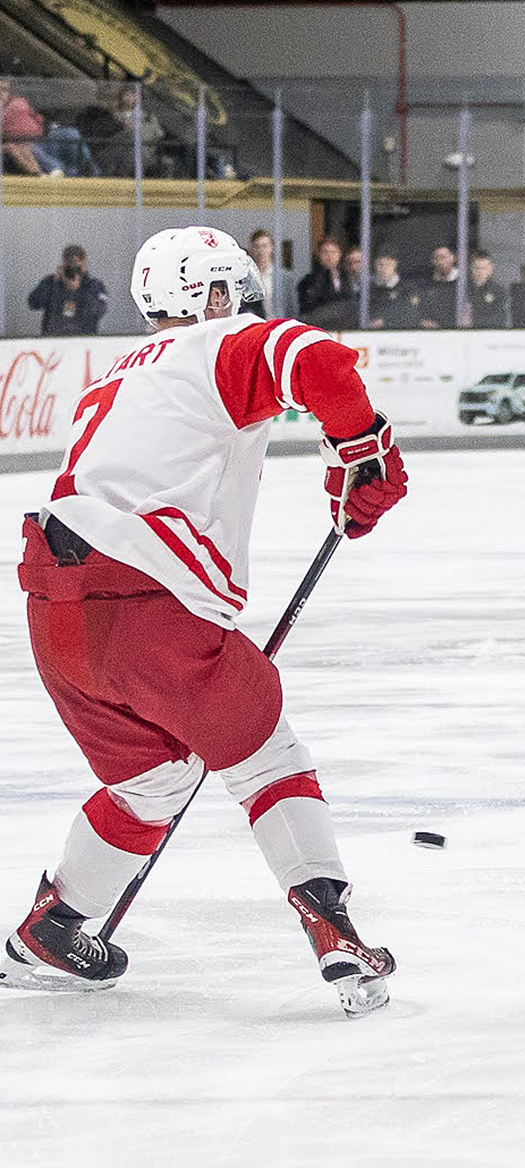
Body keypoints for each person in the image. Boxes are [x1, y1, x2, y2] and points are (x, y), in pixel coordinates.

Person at [0, 226, 407, 1010]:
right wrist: (361, 445)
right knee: (266, 759)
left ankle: (49, 929)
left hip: (55, 612)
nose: (248, 310)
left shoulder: (121, 372)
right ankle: (335, 933)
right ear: (211, 295)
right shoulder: (215, 349)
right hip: (146, 602)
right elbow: (318, 362)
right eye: (238, 295)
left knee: (151, 784)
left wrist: (343, 463)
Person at [27, 246, 108, 336]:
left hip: (84, 339)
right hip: (54, 339)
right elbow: (33, 303)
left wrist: (80, 291)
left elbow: (98, 311)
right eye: (69, 265)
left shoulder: (94, 285)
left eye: (77, 266)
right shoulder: (51, 282)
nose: (73, 270)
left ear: (84, 264)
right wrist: (54, 283)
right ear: (63, 263)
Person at [2, 85, 65, 176]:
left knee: (69, 133)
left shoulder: (20, 101)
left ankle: (46, 172)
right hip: (10, 142)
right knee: (15, 147)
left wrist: (41, 127)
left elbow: (36, 116)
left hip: (35, 138)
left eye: (4, 90)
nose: (2, 93)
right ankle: (41, 173)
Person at [294, 238, 351, 328]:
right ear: (319, 255)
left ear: (340, 255)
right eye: (325, 252)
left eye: (333, 252)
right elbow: (307, 307)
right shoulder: (309, 281)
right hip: (319, 327)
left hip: (347, 329)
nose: (329, 256)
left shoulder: (347, 278)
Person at [362, 252, 421, 331]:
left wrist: (386, 321)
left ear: (395, 265)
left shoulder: (408, 288)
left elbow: (411, 313)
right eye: (380, 265)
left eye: (388, 264)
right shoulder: (369, 290)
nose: (384, 268)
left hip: (402, 333)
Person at [461, 251, 510, 329]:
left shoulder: (498, 291)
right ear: (471, 268)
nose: (479, 272)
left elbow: (500, 318)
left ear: (490, 268)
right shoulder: (463, 288)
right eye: (476, 268)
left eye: (483, 268)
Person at [245, 231, 278, 317]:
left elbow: (292, 307)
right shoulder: (246, 277)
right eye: (256, 246)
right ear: (251, 249)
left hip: (279, 324)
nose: (261, 251)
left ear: (271, 248)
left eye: (264, 246)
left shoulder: (284, 278)